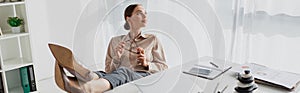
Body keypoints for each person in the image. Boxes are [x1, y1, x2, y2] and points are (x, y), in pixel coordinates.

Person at [49, 4, 168, 93]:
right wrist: (116, 58)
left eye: (145, 13)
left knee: (124, 71)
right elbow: (109, 71)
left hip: (143, 77)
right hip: (117, 76)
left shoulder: (152, 39)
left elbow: (163, 67)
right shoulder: (115, 41)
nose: (144, 16)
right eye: (139, 13)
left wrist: (146, 64)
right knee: (101, 73)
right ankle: (85, 75)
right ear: (128, 18)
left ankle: (86, 88)